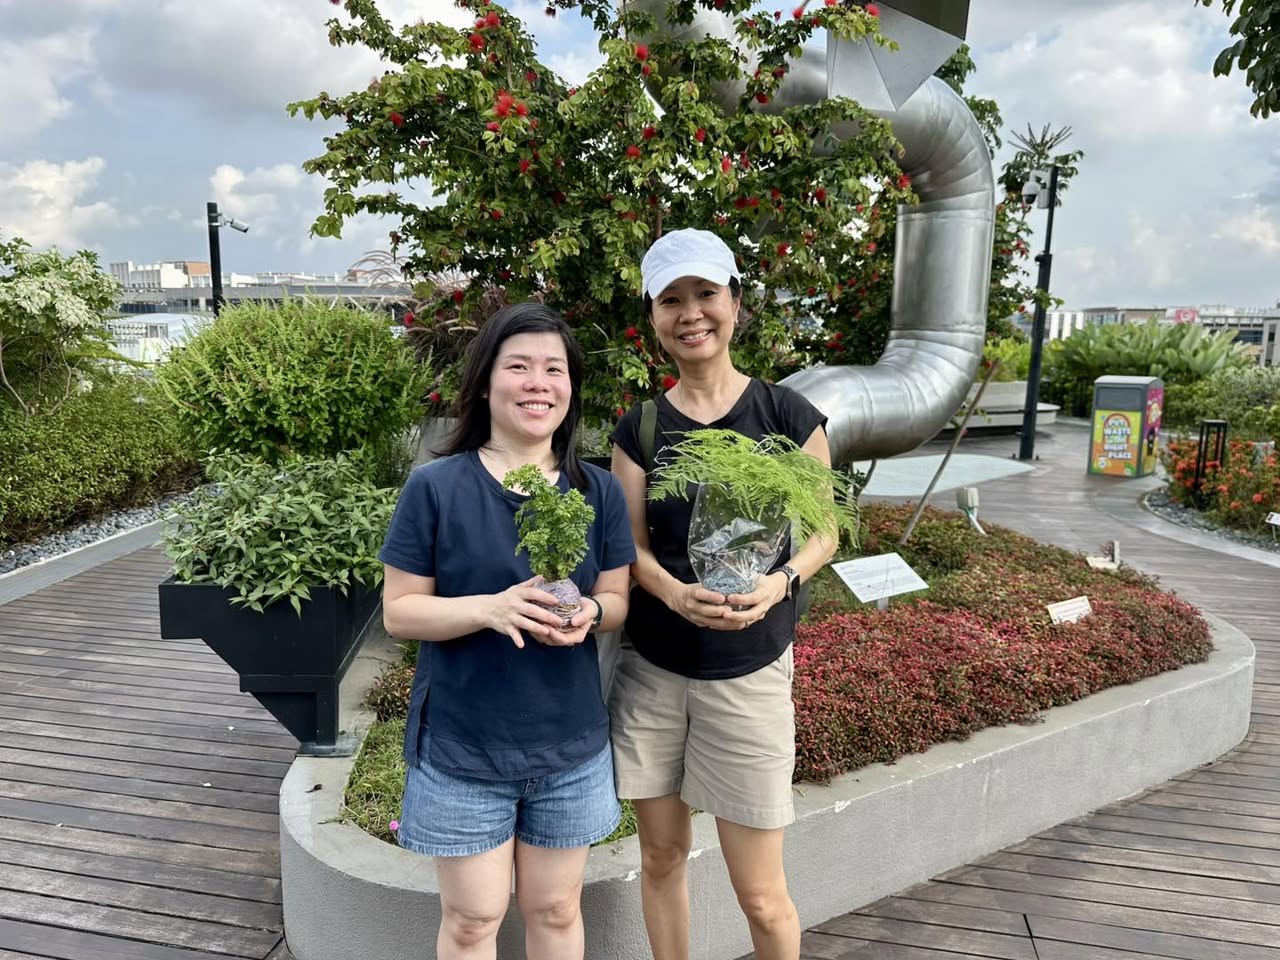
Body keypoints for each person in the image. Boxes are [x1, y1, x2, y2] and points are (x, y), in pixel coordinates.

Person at [380, 303, 636, 960]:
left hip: (569, 747)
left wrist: (591, 616)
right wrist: (490, 609)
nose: (537, 383)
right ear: (487, 383)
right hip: (465, 748)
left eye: (553, 369)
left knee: (555, 908)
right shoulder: (436, 487)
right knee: (473, 919)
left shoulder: (599, 491)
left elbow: (616, 599)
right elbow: (400, 611)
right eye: (518, 366)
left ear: (571, 389)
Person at [609, 229, 838, 960]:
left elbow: (824, 532)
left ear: (735, 302)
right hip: (654, 673)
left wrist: (780, 583)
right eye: (671, 299)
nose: (690, 313)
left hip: (748, 675)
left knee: (763, 897)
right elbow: (633, 549)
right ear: (652, 317)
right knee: (662, 859)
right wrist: (674, 595)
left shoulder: (787, 417)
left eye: (706, 294)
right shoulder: (640, 427)